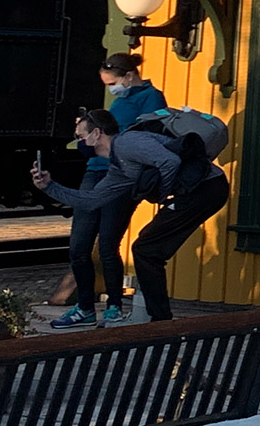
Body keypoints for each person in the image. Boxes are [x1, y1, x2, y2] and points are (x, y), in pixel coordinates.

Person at [32, 106, 228, 323]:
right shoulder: (120, 168)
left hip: (207, 189)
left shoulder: (127, 143)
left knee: (146, 249)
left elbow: (169, 162)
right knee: (147, 249)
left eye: (80, 136)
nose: (78, 143)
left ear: (96, 133)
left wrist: (162, 196)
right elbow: (91, 201)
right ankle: (159, 318)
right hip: (197, 193)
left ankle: (160, 320)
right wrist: (49, 187)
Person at [50, 53, 167, 329]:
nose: (110, 88)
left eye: (112, 82)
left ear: (128, 76)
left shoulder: (151, 98)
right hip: (96, 169)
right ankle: (85, 307)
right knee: (79, 244)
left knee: (107, 244)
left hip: (123, 174)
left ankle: (113, 304)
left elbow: (150, 134)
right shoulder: (119, 101)